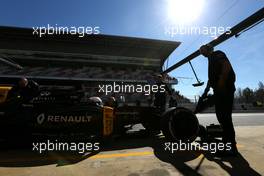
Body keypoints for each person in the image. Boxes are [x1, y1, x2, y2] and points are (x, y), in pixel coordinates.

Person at [199, 44, 238, 156]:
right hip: (219, 91)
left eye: (202, 50)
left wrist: (221, 82)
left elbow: (226, 66)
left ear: (209, 48)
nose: (201, 53)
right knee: (221, 117)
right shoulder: (210, 60)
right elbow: (211, 78)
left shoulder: (217, 54)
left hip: (225, 89)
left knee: (225, 117)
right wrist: (206, 91)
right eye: (200, 52)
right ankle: (226, 146)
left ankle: (231, 148)